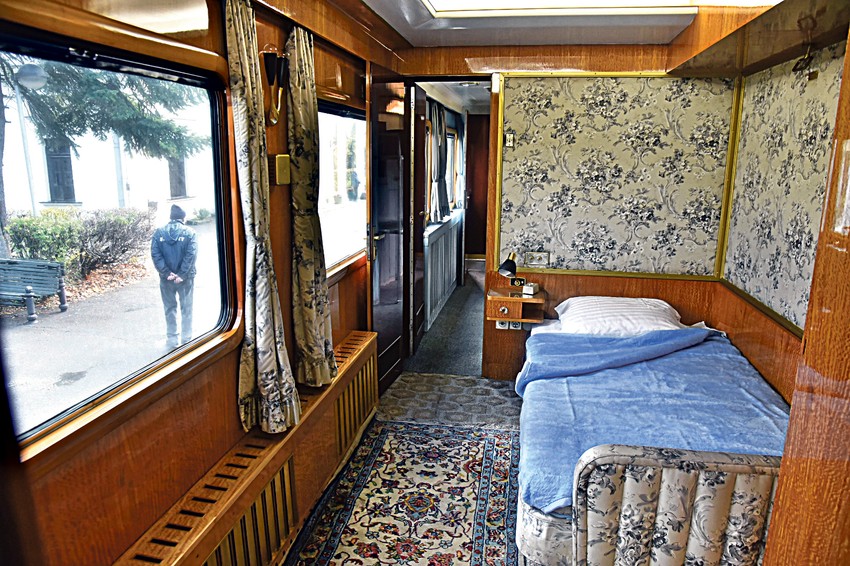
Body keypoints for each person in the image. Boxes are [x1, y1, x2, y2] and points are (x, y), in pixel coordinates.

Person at [151, 204, 198, 348]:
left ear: (171, 218)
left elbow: (155, 255)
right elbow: (191, 255)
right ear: (183, 218)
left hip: (166, 279)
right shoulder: (190, 233)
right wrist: (182, 274)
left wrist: (166, 273)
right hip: (186, 279)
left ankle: (172, 339)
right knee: (186, 308)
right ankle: (186, 339)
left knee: (169, 308)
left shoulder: (158, 233)